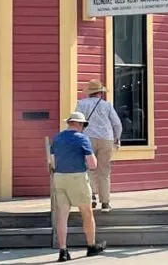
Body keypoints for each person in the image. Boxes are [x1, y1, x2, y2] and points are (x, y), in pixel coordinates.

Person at [50, 111, 106, 262]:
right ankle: (91, 246)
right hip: (77, 177)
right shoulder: (82, 139)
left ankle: (63, 250)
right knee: (87, 212)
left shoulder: (57, 138)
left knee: (62, 215)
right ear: (80, 124)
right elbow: (92, 165)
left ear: (69, 123)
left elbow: (52, 162)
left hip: (59, 177)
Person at [74, 79, 123, 212]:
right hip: (106, 138)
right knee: (104, 171)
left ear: (89, 93)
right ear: (100, 92)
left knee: (88, 169)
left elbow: (76, 123)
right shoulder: (107, 105)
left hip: (87, 139)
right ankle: (105, 202)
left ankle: (92, 197)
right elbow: (117, 124)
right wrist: (117, 138)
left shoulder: (81, 104)